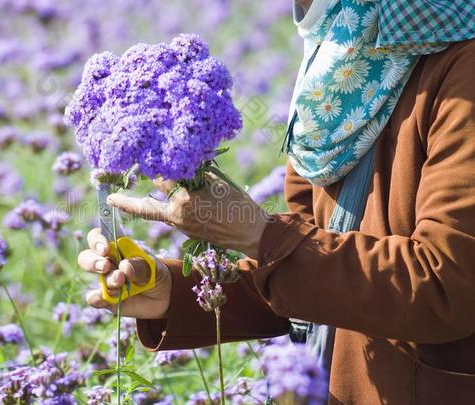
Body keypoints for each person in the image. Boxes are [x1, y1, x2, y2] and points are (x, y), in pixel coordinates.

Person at [78, 0, 475, 403]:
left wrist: (261, 236)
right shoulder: (341, 51)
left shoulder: (462, 63)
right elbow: (307, 275)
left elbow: (446, 285)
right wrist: (175, 292)